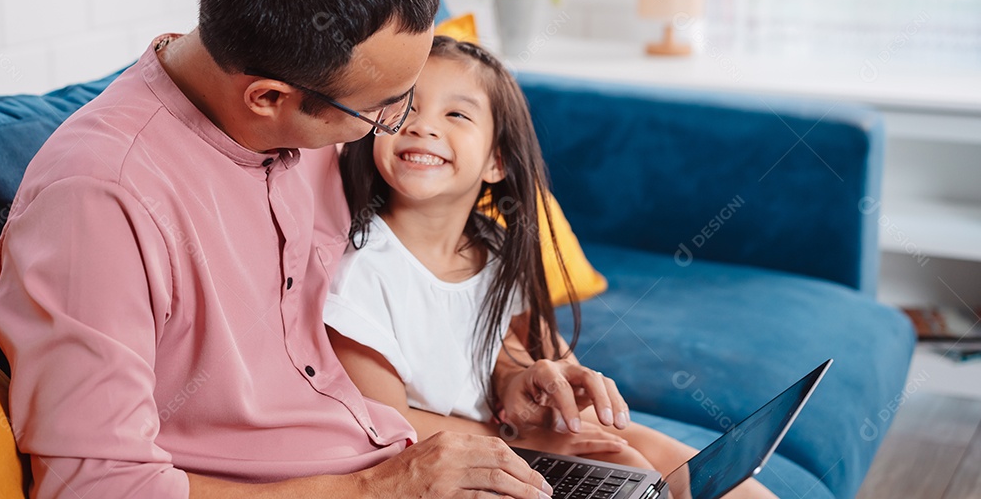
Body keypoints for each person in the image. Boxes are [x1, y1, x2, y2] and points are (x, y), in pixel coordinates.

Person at [0, 0, 580, 499]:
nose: (403, 121)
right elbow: (94, 488)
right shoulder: (98, 202)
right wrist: (374, 491)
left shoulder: (315, 99)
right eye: (386, 107)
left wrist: (509, 371)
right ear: (269, 98)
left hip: (396, 453)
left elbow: (423, 273)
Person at [325, 36, 777, 499]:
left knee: (695, 469)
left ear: (497, 160)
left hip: (506, 434)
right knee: (632, 469)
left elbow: (510, 349)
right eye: (405, 109)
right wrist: (522, 439)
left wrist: (553, 387)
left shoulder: (494, 248)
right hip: (450, 461)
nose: (422, 127)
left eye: (456, 114)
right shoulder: (362, 270)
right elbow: (387, 427)